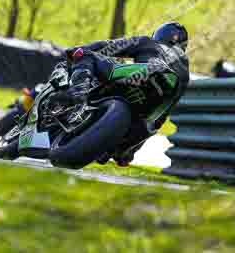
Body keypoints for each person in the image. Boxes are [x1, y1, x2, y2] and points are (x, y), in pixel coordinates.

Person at [60, 22, 190, 166]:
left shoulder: (149, 42)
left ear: (159, 34)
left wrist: (77, 51)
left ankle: (78, 92)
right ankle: (117, 149)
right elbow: (160, 118)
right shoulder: (185, 72)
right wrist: (130, 150)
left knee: (85, 55)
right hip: (151, 107)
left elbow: (111, 46)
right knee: (122, 146)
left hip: (142, 74)